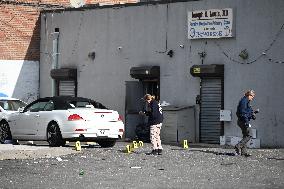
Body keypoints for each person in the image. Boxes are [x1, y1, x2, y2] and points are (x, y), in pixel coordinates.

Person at [235, 90, 257, 157]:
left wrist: (253, 114)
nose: (252, 98)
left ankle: (244, 153)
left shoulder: (247, 102)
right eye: (252, 96)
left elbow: (248, 112)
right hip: (243, 121)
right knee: (249, 135)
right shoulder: (244, 101)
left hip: (243, 120)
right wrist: (246, 122)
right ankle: (238, 146)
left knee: (245, 136)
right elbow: (243, 113)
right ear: (249, 95)